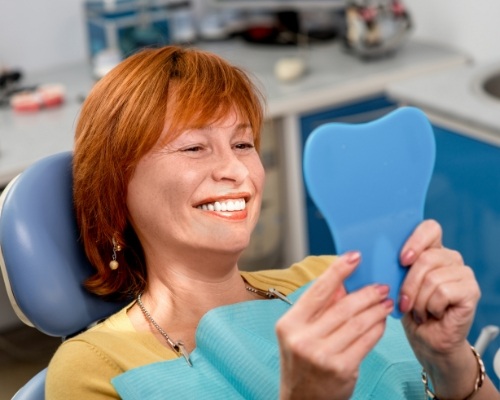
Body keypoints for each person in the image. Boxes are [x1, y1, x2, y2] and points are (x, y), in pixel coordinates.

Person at [45, 45, 500, 400]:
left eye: (243, 145)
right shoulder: (96, 368)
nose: (238, 172)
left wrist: (451, 361)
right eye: (193, 148)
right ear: (115, 187)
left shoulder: (334, 279)